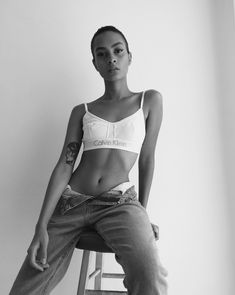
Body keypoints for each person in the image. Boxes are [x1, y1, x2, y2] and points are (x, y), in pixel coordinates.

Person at [9, 25, 168, 295]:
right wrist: (41, 227)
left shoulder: (149, 101)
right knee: (26, 286)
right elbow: (64, 165)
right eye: (102, 54)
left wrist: (142, 212)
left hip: (119, 203)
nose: (112, 59)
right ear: (95, 63)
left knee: (150, 274)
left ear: (130, 56)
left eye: (118, 51)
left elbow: (147, 159)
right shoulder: (82, 111)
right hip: (72, 203)